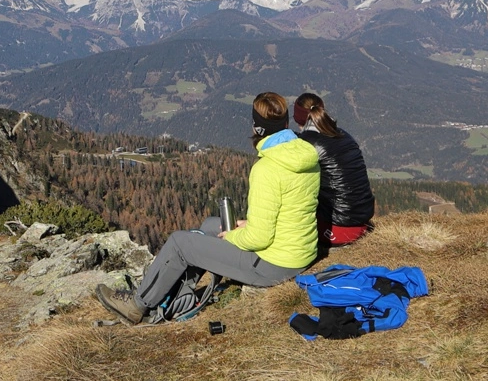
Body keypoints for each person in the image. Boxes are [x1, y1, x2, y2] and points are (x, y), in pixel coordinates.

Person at [94, 92, 321, 325]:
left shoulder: (267, 169)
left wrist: (234, 236)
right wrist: (243, 227)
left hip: (273, 266)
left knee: (180, 242)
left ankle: (137, 304)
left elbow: (259, 237)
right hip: (300, 253)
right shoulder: (305, 155)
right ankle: (175, 293)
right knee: (211, 225)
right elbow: (290, 211)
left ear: (257, 128)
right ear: (285, 124)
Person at [293, 92, 375, 247]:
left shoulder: (305, 145)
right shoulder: (343, 134)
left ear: (298, 118)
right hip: (361, 221)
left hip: (337, 230)